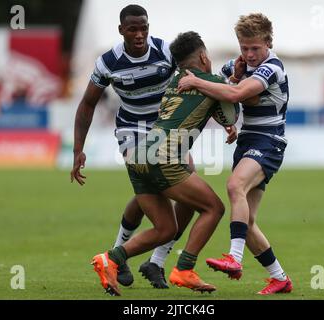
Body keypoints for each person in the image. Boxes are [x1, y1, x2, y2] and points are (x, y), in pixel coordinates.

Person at [90, 30, 229, 296]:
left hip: (139, 155)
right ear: (203, 56)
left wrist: (225, 121)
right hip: (163, 159)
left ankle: (110, 259)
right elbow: (233, 101)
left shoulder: (174, 81)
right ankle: (184, 268)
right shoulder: (209, 82)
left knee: (165, 229)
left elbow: (212, 110)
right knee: (214, 208)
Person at [70, 5, 194, 289]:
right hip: (132, 131)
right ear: (121, 30)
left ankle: (155, 261)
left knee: (178, 191)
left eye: (144, 28)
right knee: (160, 185)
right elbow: (87, 104)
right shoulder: (108, 62)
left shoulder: (166, 52)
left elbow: (194, 78)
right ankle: (122, 256)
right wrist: (79, 149)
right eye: (133, 29)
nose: (140, 35)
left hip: (166, 128)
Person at [177, 13, 293, 295]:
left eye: (255, 48)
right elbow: (225, 91)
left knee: (234, 185)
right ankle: (279, 278)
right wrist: (229, 106)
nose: (250, 54)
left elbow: (235, 94)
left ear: (268, 42)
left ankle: (234, 258)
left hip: (269, 141)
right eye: (244, 47)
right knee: (248, 222)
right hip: (247, 142)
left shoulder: (272, 68)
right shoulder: (237, 65)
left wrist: (201, 83)